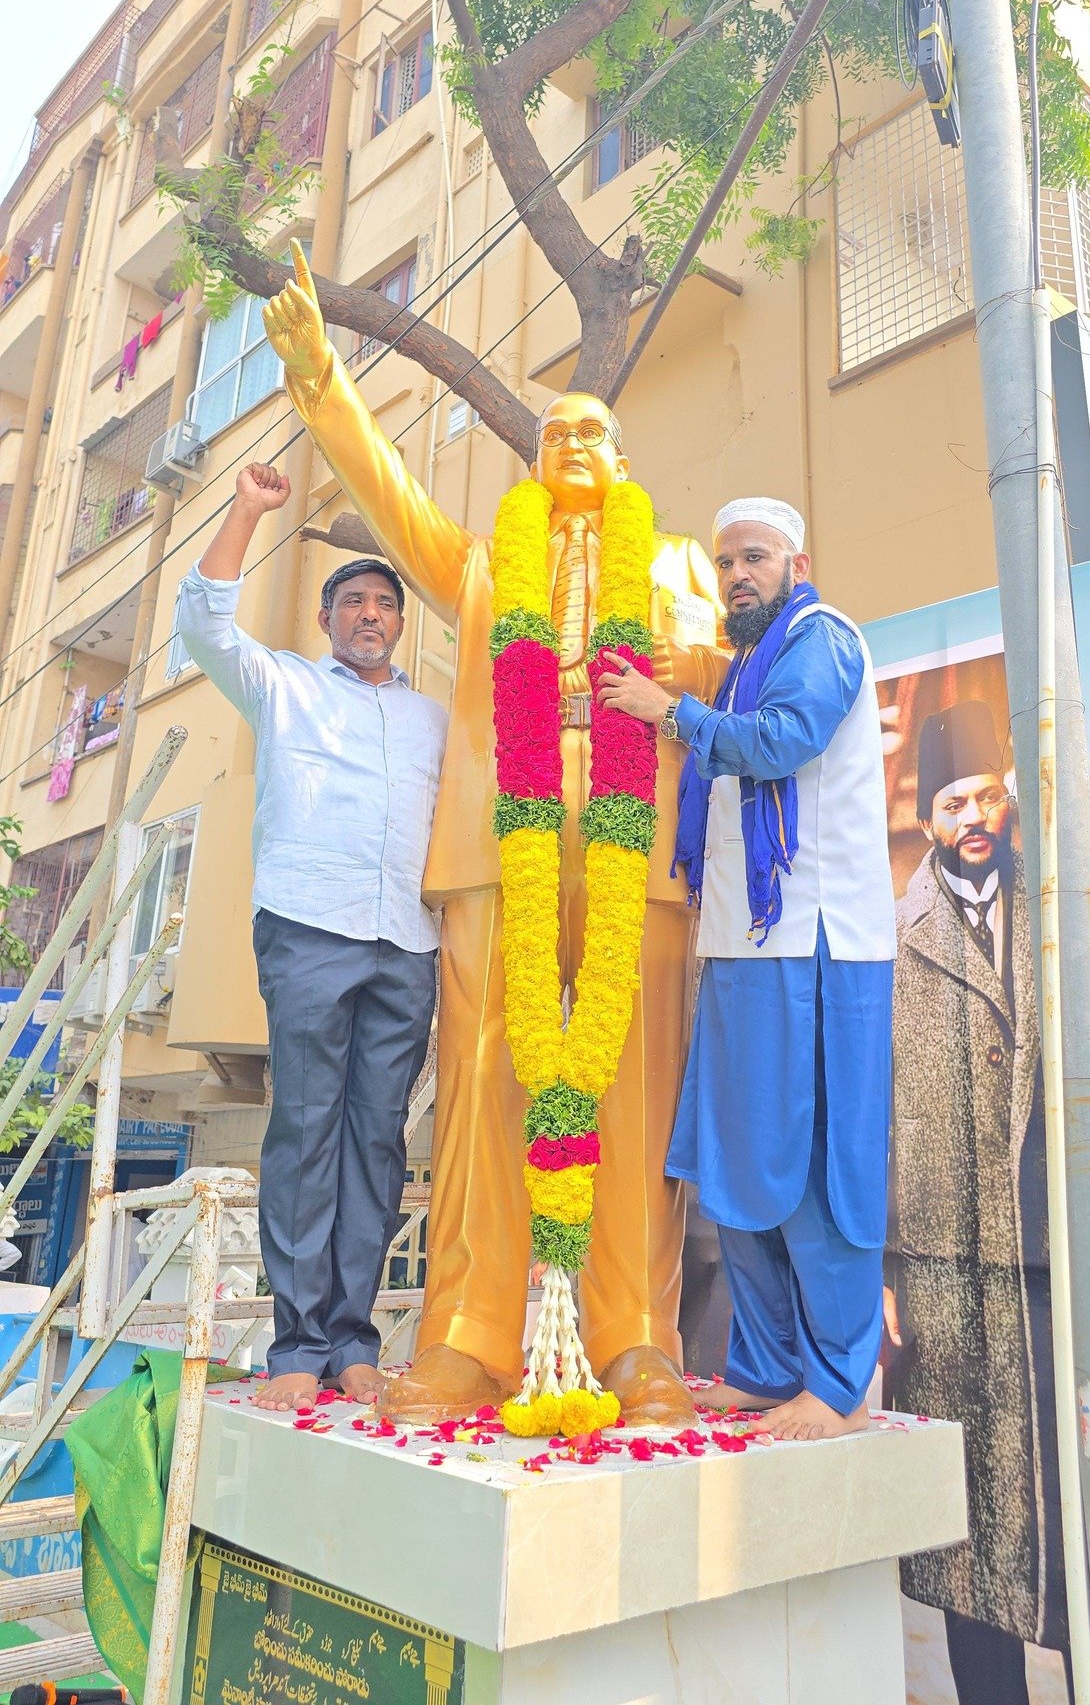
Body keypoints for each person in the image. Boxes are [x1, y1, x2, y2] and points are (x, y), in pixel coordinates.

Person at [259, 244, 728, 1426]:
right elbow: (387, 494)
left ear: (623, 463)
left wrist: (685, 664)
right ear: (533, 456)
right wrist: (323, 378)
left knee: (629, 1095)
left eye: (593, 432)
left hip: (638, 863)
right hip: (493, 855)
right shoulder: (475, 568)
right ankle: (471, 1332)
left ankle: (635, 1340)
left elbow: (733, 685)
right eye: (555, 429)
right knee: (480, 1092)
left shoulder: (680, 569)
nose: (572, 441)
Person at [599, 497, 894, 1441]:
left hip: (814, 946)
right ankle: (766, 1369)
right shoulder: (740, 668)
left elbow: (787, 741)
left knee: (810, 1174)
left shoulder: (822, 638)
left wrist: (667, 712)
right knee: (736, 1172)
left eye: (755, 558)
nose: (738, 575)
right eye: (727, 561)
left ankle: (841, 1385)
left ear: (796, 565)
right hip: (739, 945)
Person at [176, 462, 448, 1413]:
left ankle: (351, 1339)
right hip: (308, 928)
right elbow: (203, 624)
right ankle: (295, 1339)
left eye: (385, 604)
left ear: (399, 624)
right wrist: (247, 510)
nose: (370, 615)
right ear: (328, 620)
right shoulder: (283, 686)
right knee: (304, 1129)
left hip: (407, 942)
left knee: (376, 1140)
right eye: (354, 602)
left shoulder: (432, 720)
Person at [886, 701, 1068, 1704]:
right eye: (952, 798)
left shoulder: (1056, 914)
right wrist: (884, 1269)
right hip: (944, 1263)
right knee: (971, 1514)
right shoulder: (896, 935)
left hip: (1053, 1255)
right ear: (926, 816)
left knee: (1073, 1490)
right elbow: (876, 1113)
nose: (972, 814)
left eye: (985, 794)